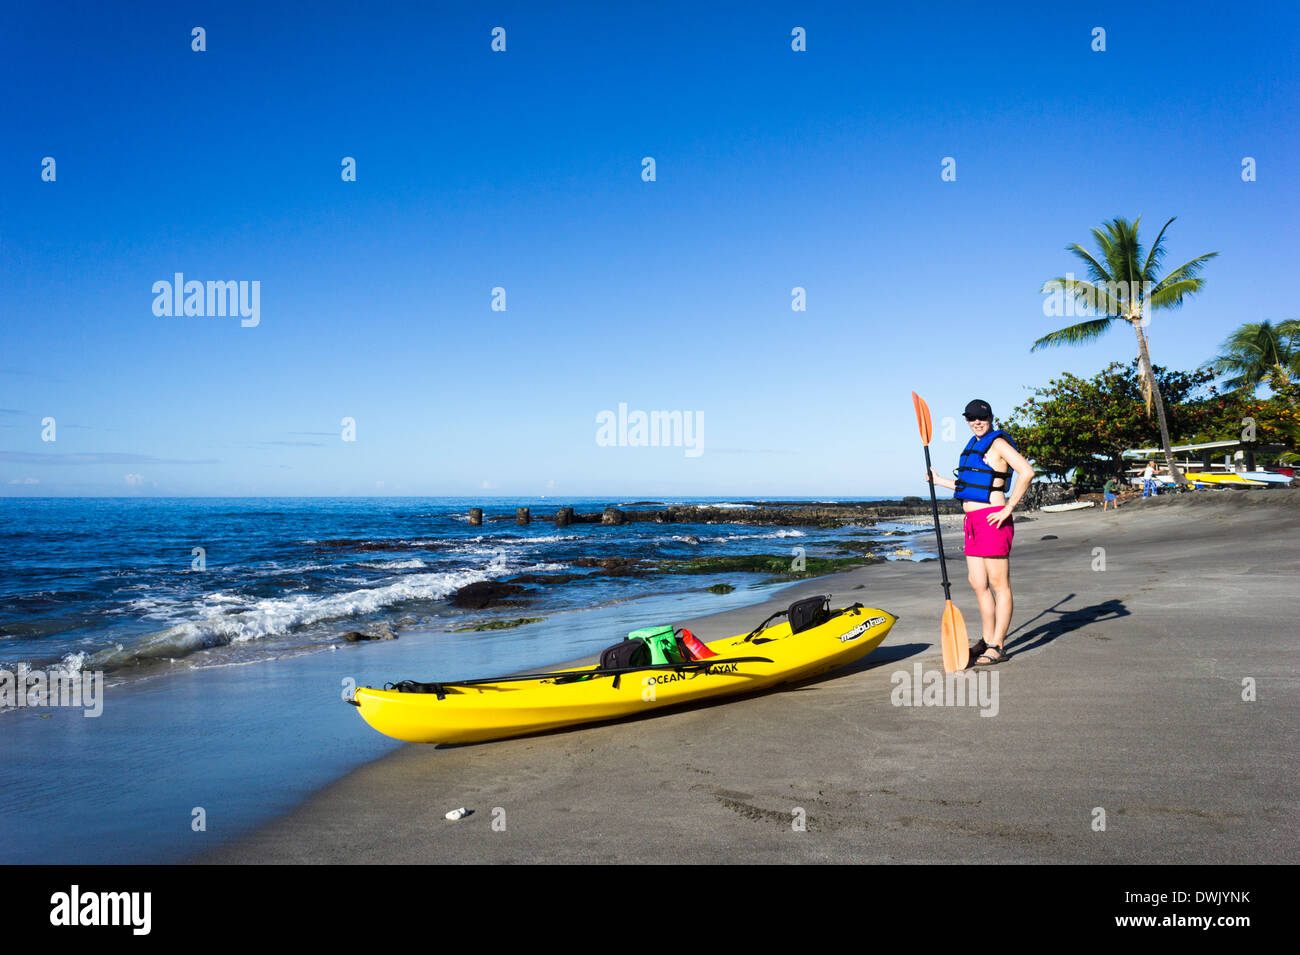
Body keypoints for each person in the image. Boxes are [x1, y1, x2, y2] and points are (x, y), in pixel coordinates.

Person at [926, 399, 1036, 667]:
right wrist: (939, 480)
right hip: (972, 521)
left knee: (1000, 585)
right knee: (978, 583)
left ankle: (998, 645)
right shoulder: (973, 445)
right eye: (971, 418)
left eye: (981, 418)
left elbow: (1027, 471)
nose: (976, 422)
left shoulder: (998, 444)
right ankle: (987, 639)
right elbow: (968, 484)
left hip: (992, 519)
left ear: (990, 418)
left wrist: (1009, 507)